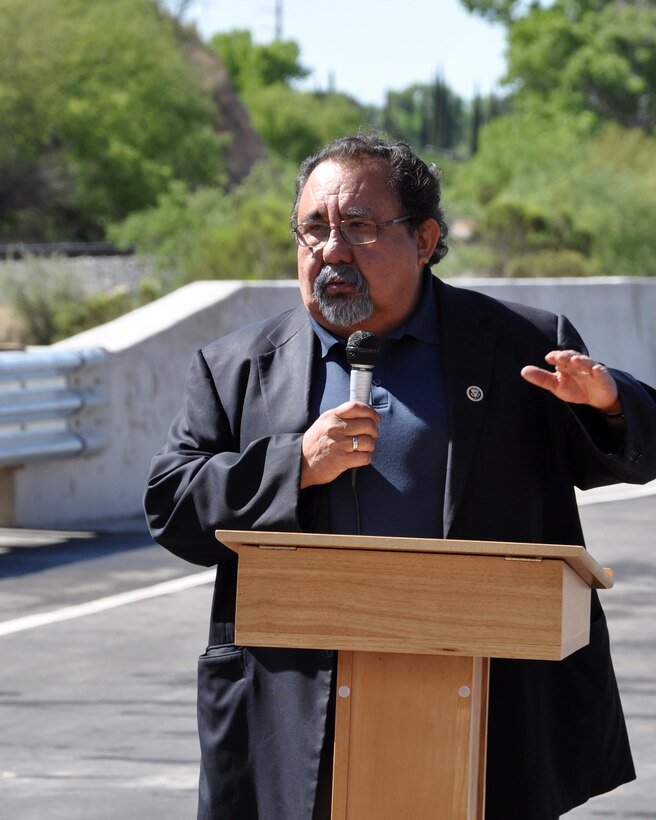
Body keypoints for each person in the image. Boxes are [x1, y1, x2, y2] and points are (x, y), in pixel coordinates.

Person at [144, 133, 656, 820]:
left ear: (424, 238)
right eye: (314, 229)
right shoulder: (238, 367)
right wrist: (293, 465)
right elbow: (171, 504)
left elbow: (627, 455)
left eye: (358, 227)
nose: (331, 250)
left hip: (488, 701)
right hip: (295, 710)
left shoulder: (517, 345)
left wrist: (612, 405)